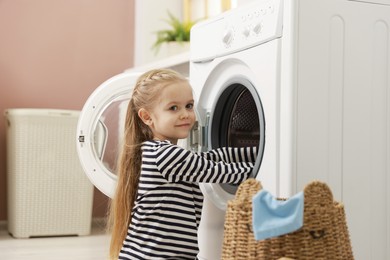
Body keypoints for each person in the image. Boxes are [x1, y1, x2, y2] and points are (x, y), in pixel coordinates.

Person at [107, 69, 257, 260]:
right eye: (173, 108)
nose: (185, 114)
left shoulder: (158, 152)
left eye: (189, 105)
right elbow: (220, 171)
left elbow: (216, 156)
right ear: (147, 117)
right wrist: (265, 166)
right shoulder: (165, 155)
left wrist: (259, 153)